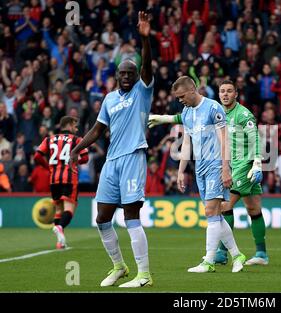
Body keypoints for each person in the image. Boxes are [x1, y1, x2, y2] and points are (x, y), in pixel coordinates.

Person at [70, 12, 154, 288]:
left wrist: (145, 39)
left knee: (131, 215)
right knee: (102, 217)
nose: (128, 76)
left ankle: (144, 274)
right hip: (112, 162)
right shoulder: (109, 99)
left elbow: (148, 68)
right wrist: (76, 149)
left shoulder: (142, 91)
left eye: (132, 72)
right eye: (124, 73)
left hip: (133, 157)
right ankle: (119, 266)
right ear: (116, 75)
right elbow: (97, 130)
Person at [148, 80, 269, 266]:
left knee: (223, 206)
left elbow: (255, 140)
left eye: (229, 91)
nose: (225, 94)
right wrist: (162, 118)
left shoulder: (244, 115)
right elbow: (186, 119)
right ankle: (261, 253)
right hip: (228, 164)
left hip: (241, 166)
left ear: (236, 94)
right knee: (253, 208)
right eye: (222, 91)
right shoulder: (214, 110)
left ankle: (221, 253)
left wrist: (257, 163)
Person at [172, 76, 246, 273]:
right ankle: (237, 255)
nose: (180, 100)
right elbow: (186, 143)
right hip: (200, 168)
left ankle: (209, 261)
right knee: (216, 215)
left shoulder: (213, 108)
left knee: (210, 212)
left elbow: (225, 141)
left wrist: (225, 168)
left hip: (215, 164)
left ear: (191, 90)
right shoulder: (186, 113)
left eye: (181, 96)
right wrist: (180, 171)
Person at [34, 116, 89, 249]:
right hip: (69, 178)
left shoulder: (49, 139)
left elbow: (37, 156)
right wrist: (74, 162)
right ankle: (59, 227)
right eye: (75, 126)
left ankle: (60, 242)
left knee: (59, 209)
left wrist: (48, 167)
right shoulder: (77, 140)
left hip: (54, 180)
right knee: (69, 210)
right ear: (69, 125)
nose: (76, 129)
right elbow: (85, 157)